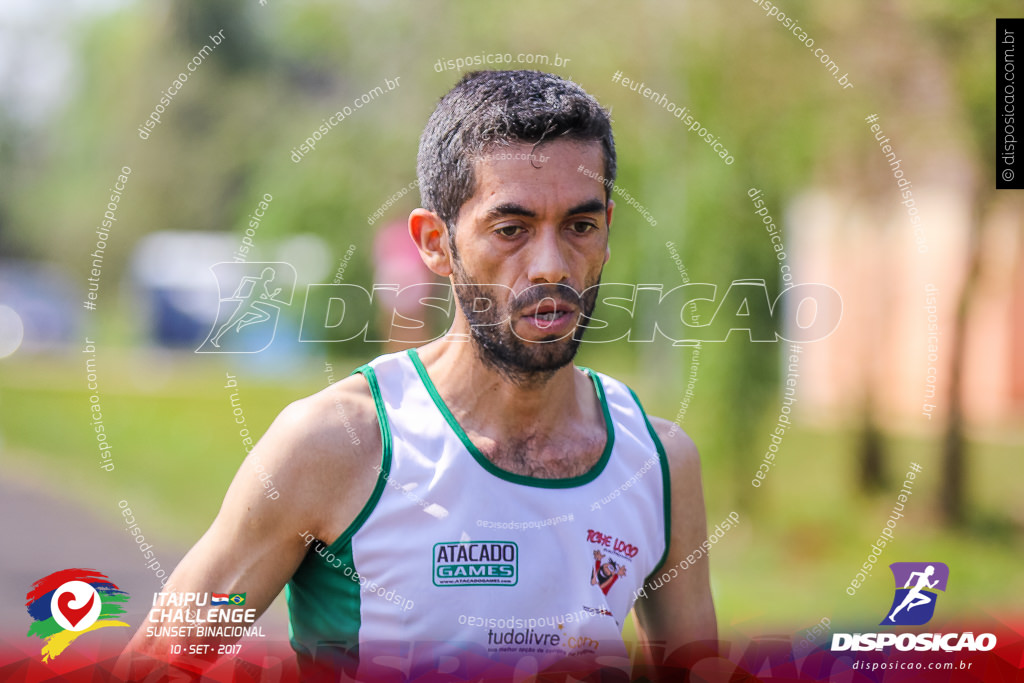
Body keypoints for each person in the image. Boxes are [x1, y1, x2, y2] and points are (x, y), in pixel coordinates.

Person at [122, 69, 716, 681]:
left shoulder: (660, 462)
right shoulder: (336, 444)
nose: (550, 265)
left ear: (607, 232)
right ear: (435, 243)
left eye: (580, 226)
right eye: (511, 229)